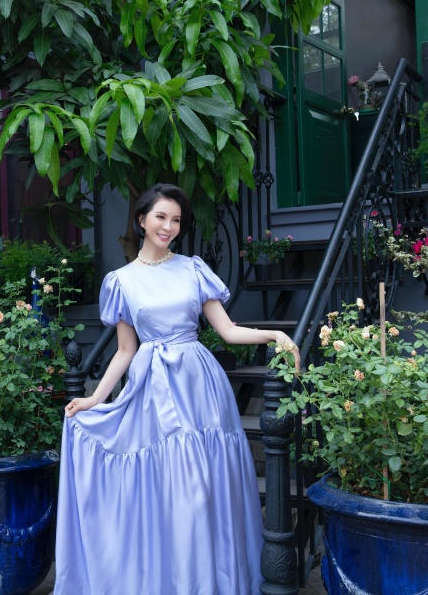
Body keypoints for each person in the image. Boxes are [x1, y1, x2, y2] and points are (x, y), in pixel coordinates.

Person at [54, 184, 300, 594]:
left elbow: (228, 330)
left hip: (200, 386)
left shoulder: (192, 269)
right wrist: (95, 398)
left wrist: (274, 334)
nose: (168, 227)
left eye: (176, 220)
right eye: (160, 217)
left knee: (206, 488)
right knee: (174, 489)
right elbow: (126, 350)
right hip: (153, 390)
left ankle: (212, 581)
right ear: (142, 220)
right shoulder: (122, 281)